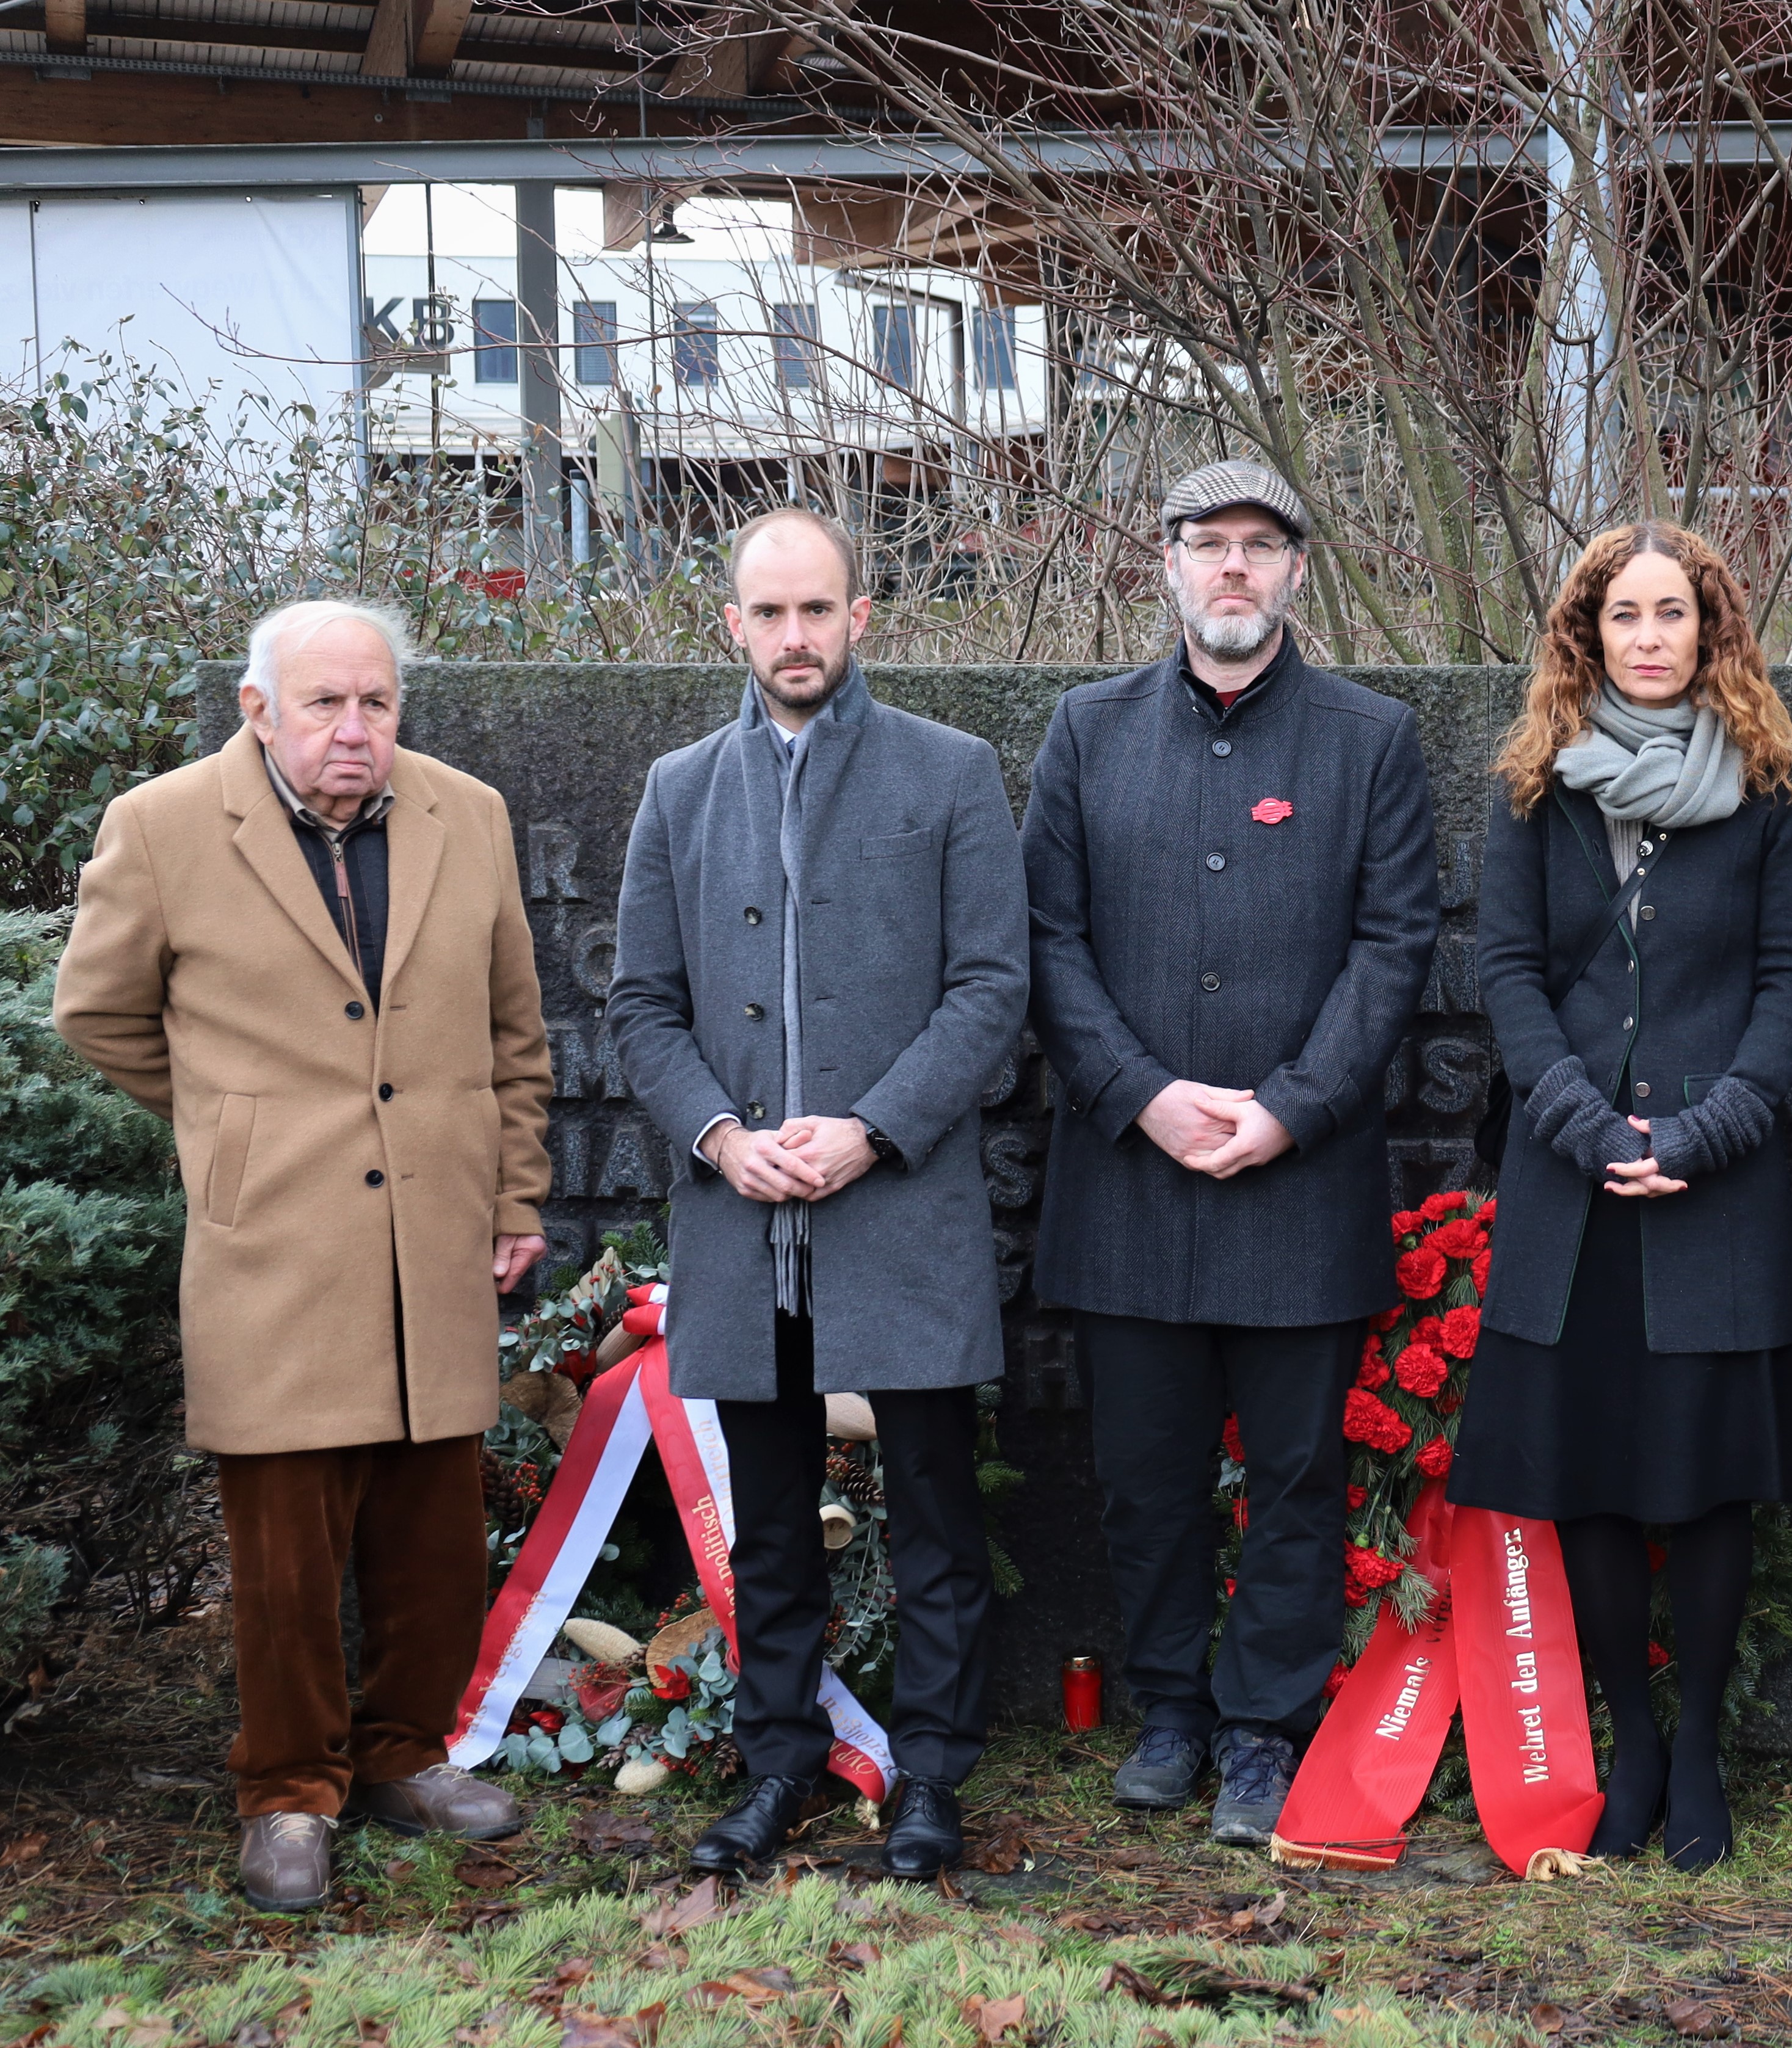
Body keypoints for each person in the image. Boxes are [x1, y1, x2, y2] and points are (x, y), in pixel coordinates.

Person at [54, 600, 553, 1914]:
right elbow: (97, 1011)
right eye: (325, 704)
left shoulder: (470, 816)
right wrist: (231, 1124)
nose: (355, 730)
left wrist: (517, 1195)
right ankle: (286, 1791)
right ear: (258, 708)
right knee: (282, 1550)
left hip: (434, 1233)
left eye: (377, 704)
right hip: (271, 1244)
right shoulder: (163, 829)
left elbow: (516, 1030)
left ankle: (403, 1759)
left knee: (434, 1530)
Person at [608, 507, 1029, 1881]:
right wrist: (723, 1139)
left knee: (935, 1516)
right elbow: (640, 1009)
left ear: (863, 619)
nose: (795, 636)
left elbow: (992, 991)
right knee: (770, 1523)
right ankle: (781, 1758)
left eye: (818, 610)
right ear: (730, 623)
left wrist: (874, 1129)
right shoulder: (678, 789)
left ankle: (933, 1776)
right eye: (769, 613)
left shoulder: (952, 773)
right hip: (744, 1225)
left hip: (897, 1214)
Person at [1023, 459, 1440, 1848]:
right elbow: (1047, 943)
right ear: (1168, 564)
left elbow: (1394, 950)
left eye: (1262, 546)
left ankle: (1266, 1728)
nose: (1235, 571)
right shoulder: (1085, 734)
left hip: (1298, 1180)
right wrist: (1140, 1094)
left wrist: (1291, 1105)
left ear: (1300, 570)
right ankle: (1170, 1713)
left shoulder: (1372, 740)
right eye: (1211, 545)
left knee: (1298, 1480)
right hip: (1131, 1180)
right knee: (1143, 1476)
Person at [1454, 522, 1792, 1873]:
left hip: (1711, 1191)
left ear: (1712, 632)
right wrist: (1579, 1121)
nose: (1653, 637)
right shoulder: (1533, 790)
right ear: (1588, 635)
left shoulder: (1776, 791)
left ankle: (1708, 1750)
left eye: (1676, 614)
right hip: (1573, 1191)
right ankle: (1636, 1746)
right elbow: (1505, 976)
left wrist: (1716, 1126)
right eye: (1628, 616)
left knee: (1706, 1486)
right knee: (1592, 1482)